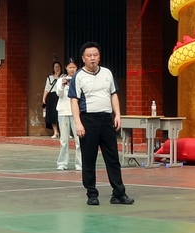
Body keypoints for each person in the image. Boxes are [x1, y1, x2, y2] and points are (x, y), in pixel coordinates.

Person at [69, 42, 133, 206]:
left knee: (112, 157)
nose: (92, 58)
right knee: (89, 158)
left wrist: (117, 114)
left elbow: (113, 94)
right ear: (83, 58)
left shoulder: (107, 73)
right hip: (88, 120)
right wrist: (78, 123)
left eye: (95, 55)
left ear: (99, 57)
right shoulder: (79, 76)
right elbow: (74, 101)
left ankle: (118, 193)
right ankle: (92, 194)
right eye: (89, 55)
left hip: (106, 119)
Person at [54, 60, 81, 171]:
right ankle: (62, 163)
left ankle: (80, 164)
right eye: (70, 67)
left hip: (76, 113)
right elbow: (59, 94)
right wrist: (63, 84)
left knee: (79, 140)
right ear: (66, 68)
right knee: (64, 140)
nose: (72, 69)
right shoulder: (60, 80)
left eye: (74, 67)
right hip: (63, 112)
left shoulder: (79, 79)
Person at [43, 60, 63, 139]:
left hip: (60, 96)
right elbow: (47, 88)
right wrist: (44, 98)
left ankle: (63, 132)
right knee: (52, 114)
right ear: (53, 68)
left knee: (60, 114)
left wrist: (58, 76)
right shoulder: (49, 77)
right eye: (56, 67)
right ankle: (55, 132)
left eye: (59, 67)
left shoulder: (63, 77)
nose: (57, 68)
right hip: (52, 97)